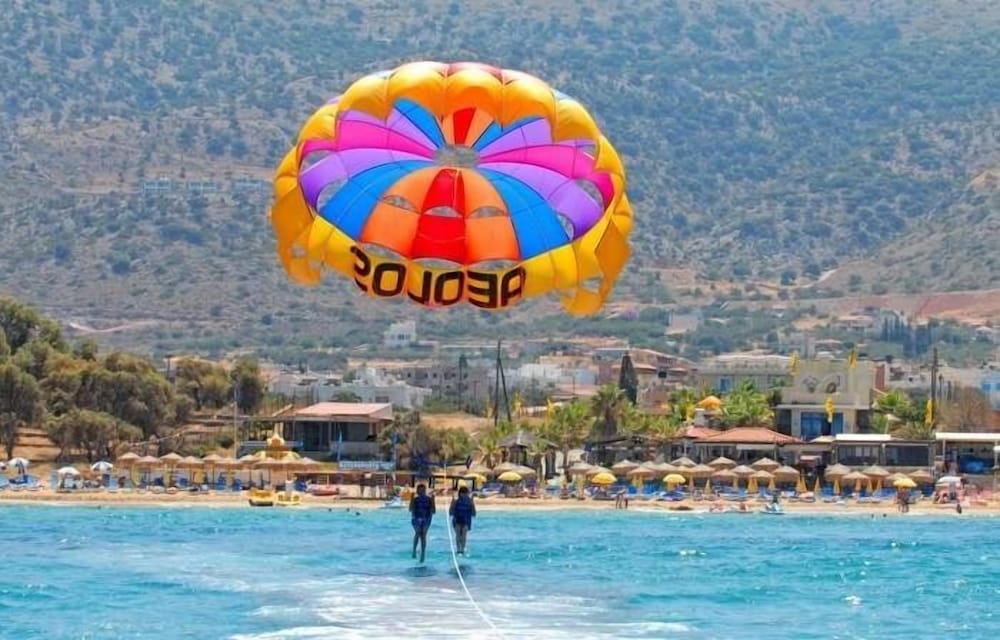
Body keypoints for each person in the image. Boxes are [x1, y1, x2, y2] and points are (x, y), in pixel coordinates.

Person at [409, 484, 436, 563]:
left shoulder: (429, 499)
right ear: (417, 491)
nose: (422, 492)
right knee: (418, 532)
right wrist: (411, 499)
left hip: (426, 519)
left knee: (423, 534)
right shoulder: (415, 499)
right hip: (416, 518)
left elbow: (433, 511)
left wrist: (433, 500)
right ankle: (414, 550)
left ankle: (423, 554)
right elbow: (410, 509)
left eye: (423, 491)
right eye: (420, 491)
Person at [449, 485, 477, 555]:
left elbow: (474, 514)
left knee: (464, 534)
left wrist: (472, 504)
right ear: (460, 494)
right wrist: (452, 503)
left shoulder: (470, 502)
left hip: (466, 520)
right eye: (463, 493)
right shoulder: (456, 501)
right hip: (457, 520)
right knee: (458, 534)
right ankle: (458, 549)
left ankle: (462, 549)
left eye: (466, 493)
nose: (465, 495)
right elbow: (451, 512)